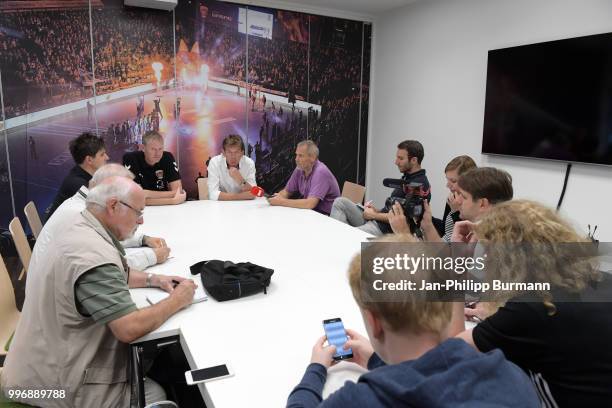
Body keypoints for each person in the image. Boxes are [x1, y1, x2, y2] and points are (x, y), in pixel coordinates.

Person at [1, 177, 197, 407]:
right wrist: (177, 300)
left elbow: (115, 274)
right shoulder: (91, 256)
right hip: (50, 388)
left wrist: (154, 279)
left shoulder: (80, 225)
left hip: (35, 364)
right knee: (156, 394)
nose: (142, 220)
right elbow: (128, 328)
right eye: (138, 212)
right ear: (113, 206)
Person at [286, 234, 540, 407]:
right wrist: (377, 361)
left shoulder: (363, 399)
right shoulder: (513, 376)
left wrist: (316, 369)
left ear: (374, 322)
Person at [452, 200, 612, 407]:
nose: (484, 257)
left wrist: (457, 265)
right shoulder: (602, 280)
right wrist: (498, 318)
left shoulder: (531, 308)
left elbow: (453, 351)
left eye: (488, 250)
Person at [42, 164, 171, 271]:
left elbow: (107, 237)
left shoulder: (83, 205)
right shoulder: (81, 214)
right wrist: (152, 256)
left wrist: (142, 239)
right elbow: (110, 267)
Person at [331, 140, 430, 236]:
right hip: (377, 220)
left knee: (345, 236)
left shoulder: (420, 185)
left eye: (400, 158)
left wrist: (373, 215)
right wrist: (376, 211)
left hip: (383, 231)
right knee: (340, 203)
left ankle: (340, 241)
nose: (396, 162)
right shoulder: (407, 177)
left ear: (414, 160)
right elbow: (392, 210)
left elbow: (403, 219)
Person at [390, 155, 476, 240]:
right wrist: (425, 217)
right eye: (447, 180)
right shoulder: (452, 199)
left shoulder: (473, 205)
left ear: (469, 181)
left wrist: (456, 213)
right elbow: (445, 230)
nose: (447, 185)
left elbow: (464, 240)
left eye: (453, 181)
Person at [45, 132, 109, 220]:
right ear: (89, 160)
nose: (107, 157)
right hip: (62, 232)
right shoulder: (78, 185)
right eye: (102, 154)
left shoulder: (82, 174)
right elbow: (100, 216)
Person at [268, 140, 340, 215]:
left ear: (312, 157)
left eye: (300, 155)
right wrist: (278, 196)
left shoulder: (320, 172)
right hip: (312, 212)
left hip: (327, 216)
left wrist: (281, 202)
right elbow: (287, 191)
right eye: (296, 155)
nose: (296, 159)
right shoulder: (299, 169)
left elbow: (310, 204)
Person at [123, 131, 186, 206]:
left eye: (160, 149)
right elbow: (135, 198)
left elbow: (178, 191)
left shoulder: (167, 157)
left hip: (166, 210)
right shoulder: (130, 159)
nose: (158, 153)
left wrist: (147, 193)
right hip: (141, 211)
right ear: (143, 148)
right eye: (153, 149)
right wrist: (171, 200)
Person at [207, 134, 257, 201]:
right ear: (223, 152)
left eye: (236, 152)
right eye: (229, 152)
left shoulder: (249, 163)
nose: (233, 156)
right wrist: (240, 196)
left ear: (242, 153)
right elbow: (213, 194)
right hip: (221, 205)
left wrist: (240, 179)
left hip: (244, 206)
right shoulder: (214, 163)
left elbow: (253, 193)